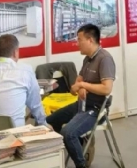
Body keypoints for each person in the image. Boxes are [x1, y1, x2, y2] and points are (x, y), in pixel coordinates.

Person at [46, 24, 115, 168]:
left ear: (90, 40)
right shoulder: (87, 59)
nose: (77, 43)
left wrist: (83, 85)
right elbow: (74, 88)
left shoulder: (105, 59)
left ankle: (81, 164)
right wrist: (80, 87)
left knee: (68, 133)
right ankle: (69, 149)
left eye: (79, 40)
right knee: (49, 122)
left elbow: (107, 89)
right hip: (81, 105)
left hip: (96, 110)